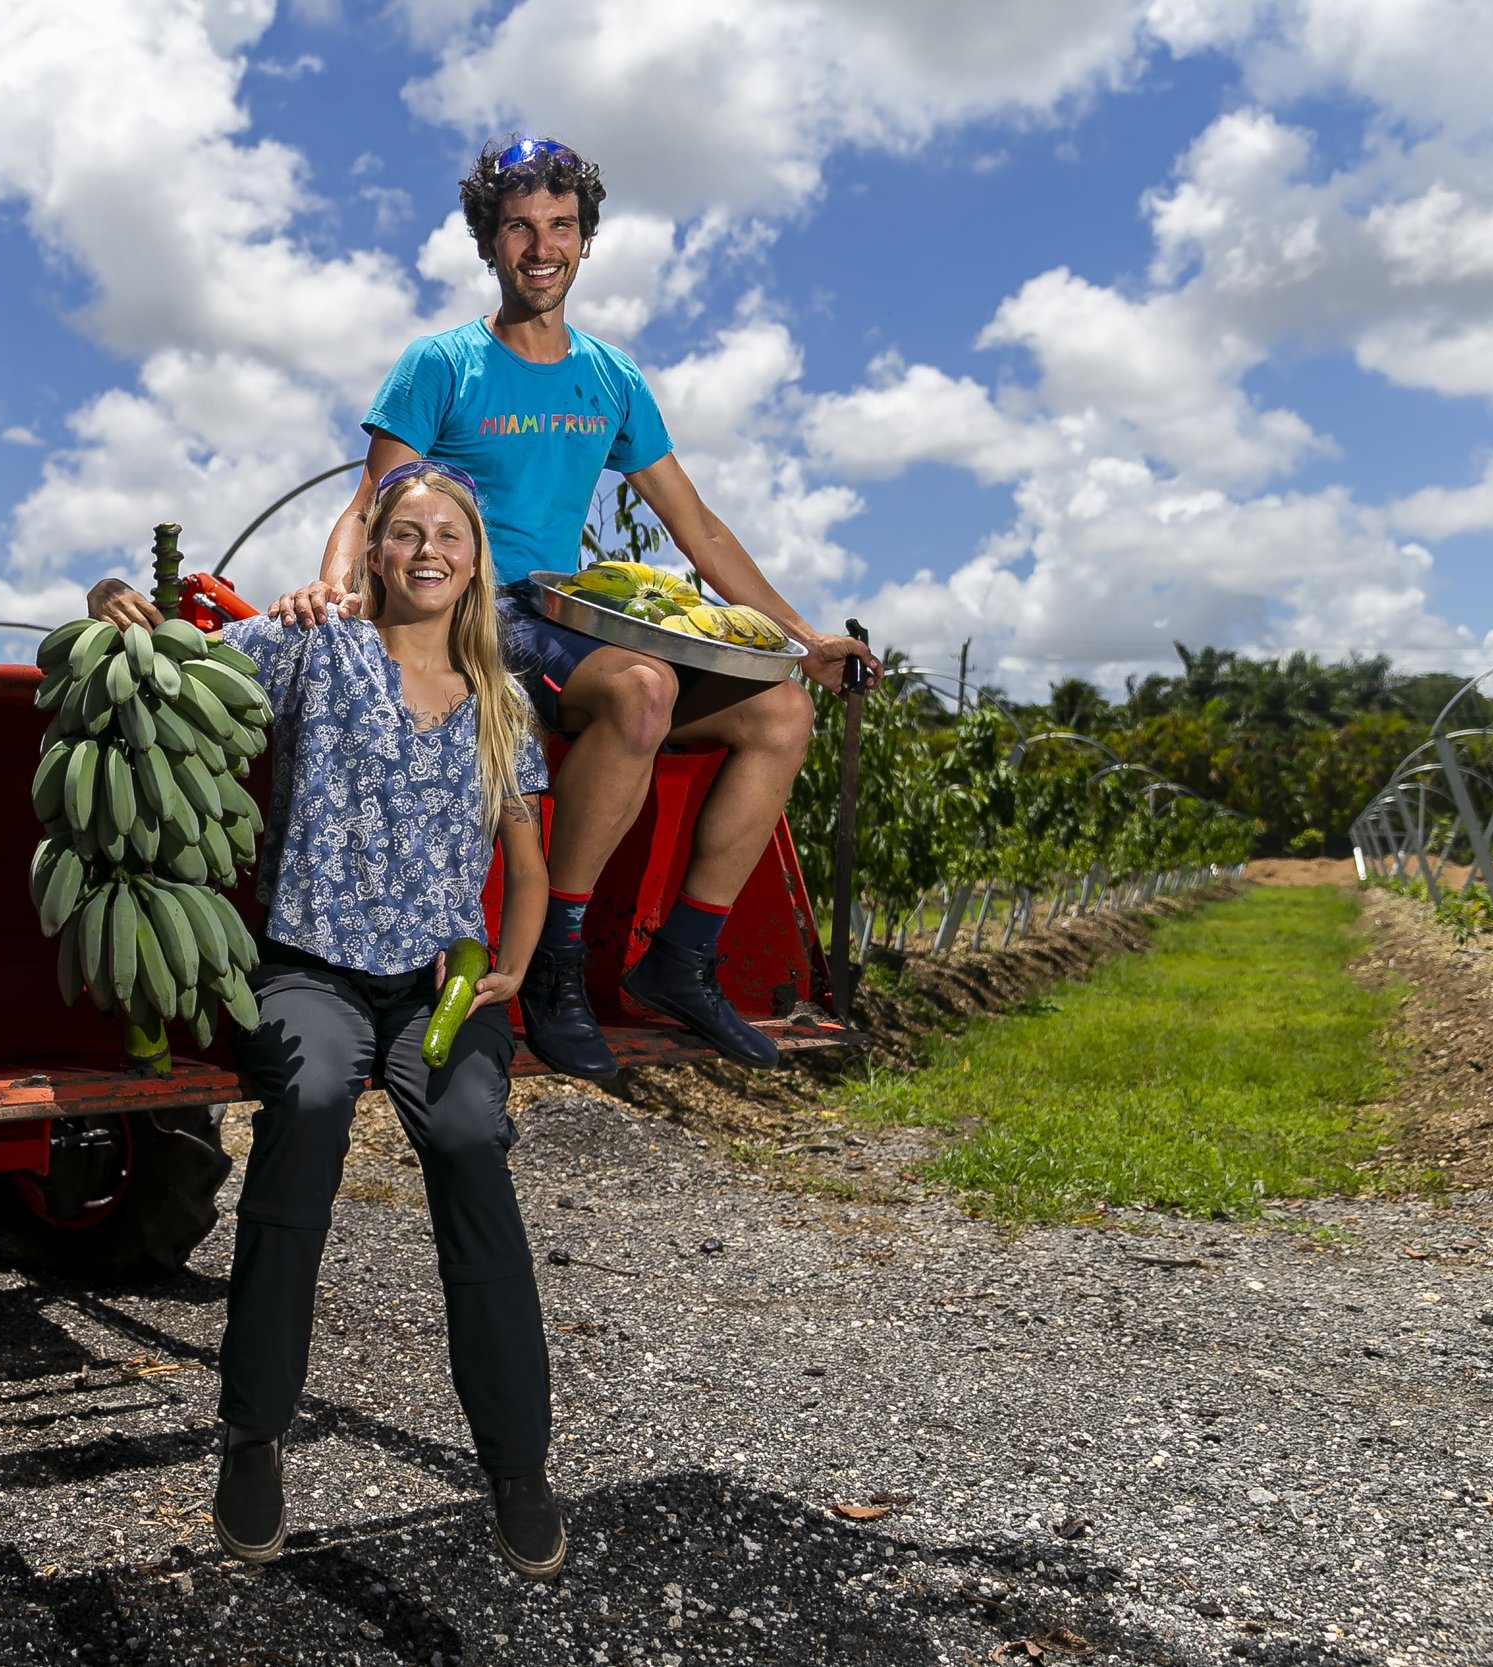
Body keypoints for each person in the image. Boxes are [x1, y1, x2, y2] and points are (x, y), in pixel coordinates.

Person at [273, 135, 882, 1081]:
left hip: (564, 616)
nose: (541, 245)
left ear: (587, 242)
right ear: (488, 243)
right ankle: (559, 962)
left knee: (783, 711)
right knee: (641, 687)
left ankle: (681, 957)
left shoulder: (611, 377)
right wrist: (342, 593)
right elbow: (370, 507)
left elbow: (698, 528)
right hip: (474, 616)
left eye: (562, 225)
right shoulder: (442, 363)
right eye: (518, 226)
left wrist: (804, 639)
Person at [87, 465, 565, 1579]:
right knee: (303, 1107)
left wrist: (513, 968)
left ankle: (518, 1466)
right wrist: (116, 589)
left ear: (473, 559)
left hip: (440, 981)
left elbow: (529, 862)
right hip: (311, 964)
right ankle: (252, 1436)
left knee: (465, 1142)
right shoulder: (314, 643)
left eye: (448, 533)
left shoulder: (504, 700)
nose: (428, 549)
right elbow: (173, 667)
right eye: (405, 532)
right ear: (374, 551)